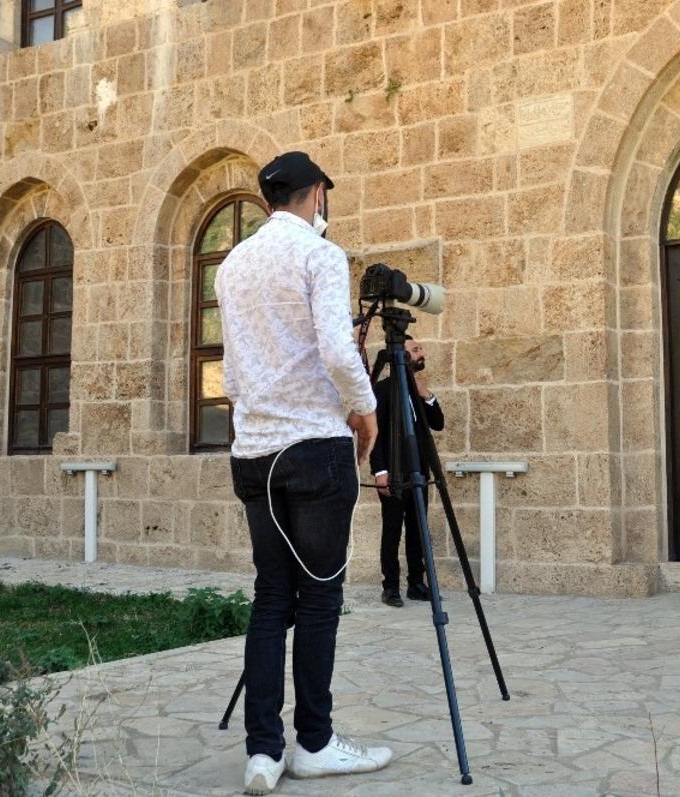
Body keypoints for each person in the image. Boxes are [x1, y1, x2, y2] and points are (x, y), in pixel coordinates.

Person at [217, 151, 393, 795]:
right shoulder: (320, 256)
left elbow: (233, 372)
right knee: (318, 598)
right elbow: (334, 346)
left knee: (271, 596)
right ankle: (314, 742)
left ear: (269, 199)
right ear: (316, 193)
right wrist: (365, 409)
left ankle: (263, 752)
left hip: (253, 453)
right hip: (314, 449)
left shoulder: (233, 264)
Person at [369, 336, 444, 608]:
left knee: (417, 530)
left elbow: (438, 424)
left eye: (420, 348)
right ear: (401, 356)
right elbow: (373, 434)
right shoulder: (382, 390)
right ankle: (390, 587)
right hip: (394, 473)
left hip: (418, 473)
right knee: (392, 531)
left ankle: (416, 583)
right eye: (415, 349)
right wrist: (380, 471)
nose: (421, 352)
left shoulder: (419, 389)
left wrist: (429, 397)